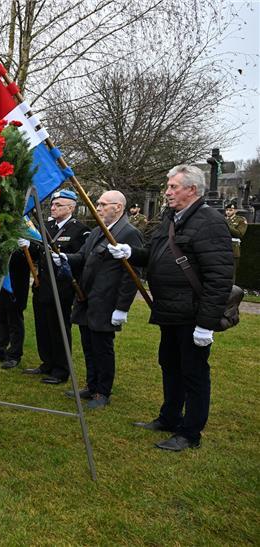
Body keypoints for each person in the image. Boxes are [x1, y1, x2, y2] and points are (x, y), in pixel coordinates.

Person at [108, 165, 233, 451]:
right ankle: (169, 417)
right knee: (170, 365)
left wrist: (206, 324)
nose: (167, 192)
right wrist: (131, 253)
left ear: (192, 189)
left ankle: (190, 432)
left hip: (192, 313)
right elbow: (154, 255)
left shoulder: (210, 222)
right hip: (169, 310)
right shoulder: (170, 218)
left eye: (173, 187)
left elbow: (219, 277)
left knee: (193, 372)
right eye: (168, 186)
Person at [55, 191, 143, 409]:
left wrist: (122, 307)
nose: (98, 208)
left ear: (118, 207)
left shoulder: (129, 233)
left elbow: (132, 274)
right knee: (88, 345)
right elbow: (83, 256)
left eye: (103, 204)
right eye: (98, 204)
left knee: (102, 348)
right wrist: (65, 257)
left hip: (106, 300)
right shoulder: (98, 231)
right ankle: (91, 385)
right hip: (87, 297)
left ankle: (103, 392)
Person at [24, 189, 90, 384]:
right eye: (53, 204)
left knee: (59, 327)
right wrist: (27, 244)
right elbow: (38, 252)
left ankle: (61, 369)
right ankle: (47, 362)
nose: (53, 208)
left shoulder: (80, 230)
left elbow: (82, 258)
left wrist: (65, 259)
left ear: (71, 208)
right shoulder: (47, 227)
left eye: (58, 205)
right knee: (43, 325)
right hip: (42, 283)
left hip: (63, 286)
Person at [0, 247, 31, 369]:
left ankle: (14, 355)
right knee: (1, 316)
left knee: (15, 320)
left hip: (16, 281)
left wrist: (26, 247)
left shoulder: (27, 236)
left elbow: (33, 255)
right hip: (0, 279)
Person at [224, 201, 247, 280]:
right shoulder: (223, 219)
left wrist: (227, 225)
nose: (228, 212)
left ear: (235, 211)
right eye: (227, 210)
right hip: (221, 247)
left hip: (233, 249)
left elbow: (240, 233)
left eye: (231, 210)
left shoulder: (240, 220)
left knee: (231, 272)